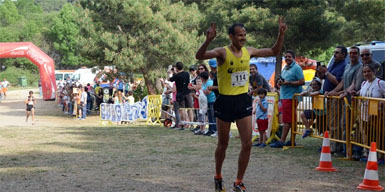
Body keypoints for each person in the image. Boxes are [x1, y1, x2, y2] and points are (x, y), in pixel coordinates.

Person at [195, 17, 287, 192]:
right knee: (223, 144)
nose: (243, 38)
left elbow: (274, 51)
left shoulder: (249, 51)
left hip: (242, 100)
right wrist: (208, 40)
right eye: (239, 35)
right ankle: (218, 176)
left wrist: (280, 34)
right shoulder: (222, 52)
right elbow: (199, 56)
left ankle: (238, 181)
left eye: (244, 35)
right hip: (225, 101)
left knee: (247, 143)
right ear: (231, 36)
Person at [270, 50, 305, 148]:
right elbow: (283, 79)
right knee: (292, 119)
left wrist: (289, 83)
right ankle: (292, 140)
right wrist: (279, 83)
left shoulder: (296, 68)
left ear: (293, 57)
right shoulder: (285, 68)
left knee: (287, 120)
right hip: (285, 95)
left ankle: (282, 141)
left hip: (291, 97)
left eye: (289, 56)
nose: (287, 58)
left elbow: (302, 81)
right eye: (286, 57)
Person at [319, 46, 348, 155]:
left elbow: (337, 82)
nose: (334, 54)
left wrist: (326, 73)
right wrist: (321, 73)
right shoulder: (333, 64)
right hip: (329, 97)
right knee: (331, 122)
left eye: (337, 52)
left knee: (335, 122)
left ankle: (336, 146)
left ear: (343, 55)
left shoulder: (343, 66)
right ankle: (332, 144)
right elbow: (325, 78)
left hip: (337, 98)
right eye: (334, 52)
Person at [358, 64, 385, 163]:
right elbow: (361, 94)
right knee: (368, 135)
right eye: (364, 72)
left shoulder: (380, 83)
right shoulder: (364, 83)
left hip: (378, 115)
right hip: (365, 114)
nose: (367, 73)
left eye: (369, 71)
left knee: (379, 135)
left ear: (374, 72)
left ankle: (381, 156)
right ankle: (369, 154)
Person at [169, 62, 193, 130]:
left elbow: (170, 79)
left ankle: (183, 124)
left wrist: (172, 72)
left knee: (182, 110)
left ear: (176, 68)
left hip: (180, 94)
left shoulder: (176, 76)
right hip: (187, 93)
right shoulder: (187, 74)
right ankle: (191, 124)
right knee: (190, 109)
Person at [199, 71, 217, 136]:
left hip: (212, 100)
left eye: (201, 77)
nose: (200, 79)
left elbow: (208, 92)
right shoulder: (204, 83)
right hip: (207, 101)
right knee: (209, 116)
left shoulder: (210, 82)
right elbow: (204, 91)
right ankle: (210, 129)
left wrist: (203, 91)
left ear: (203, 78)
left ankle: (214, 130)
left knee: (213, 116)